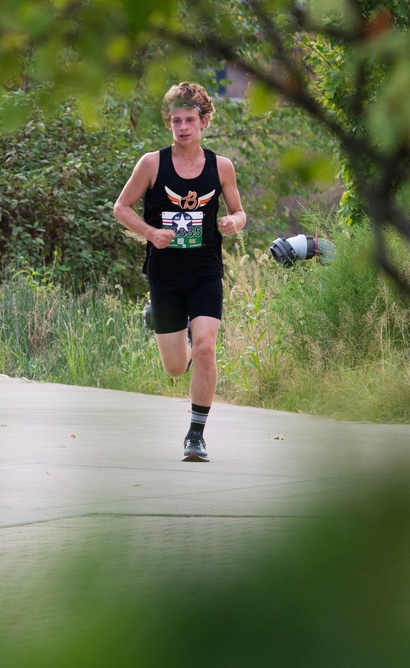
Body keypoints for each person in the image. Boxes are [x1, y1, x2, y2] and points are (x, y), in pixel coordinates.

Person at [112, 82, 246, 462]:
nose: (183, 127)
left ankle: (196, 434)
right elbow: (121, 207)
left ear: (204, 122)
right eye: (176, 121)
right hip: (165, 274)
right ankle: (171, 325)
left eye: (190, 120)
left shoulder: (221, 167)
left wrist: (234, 222)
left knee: (205, 346)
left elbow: (239, 210)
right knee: (174, 369)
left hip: (205, 269)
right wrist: (151, 233)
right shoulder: (152, 163)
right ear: (169, 124)